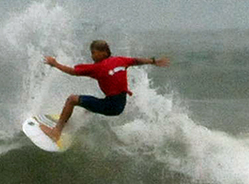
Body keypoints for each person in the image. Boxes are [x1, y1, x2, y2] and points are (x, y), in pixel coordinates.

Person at [40, 40, 170, 142]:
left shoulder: (97, 68)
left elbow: (72, 71)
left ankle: (56, 132)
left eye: (94, 52)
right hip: (119, 105)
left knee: (72, 99)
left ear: (104, 52)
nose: (92, 55)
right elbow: (137, 60)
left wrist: (55, 64)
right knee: (88, 105)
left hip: (111, 106)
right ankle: (75, 122)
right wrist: (153, 61)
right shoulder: (120, 60)